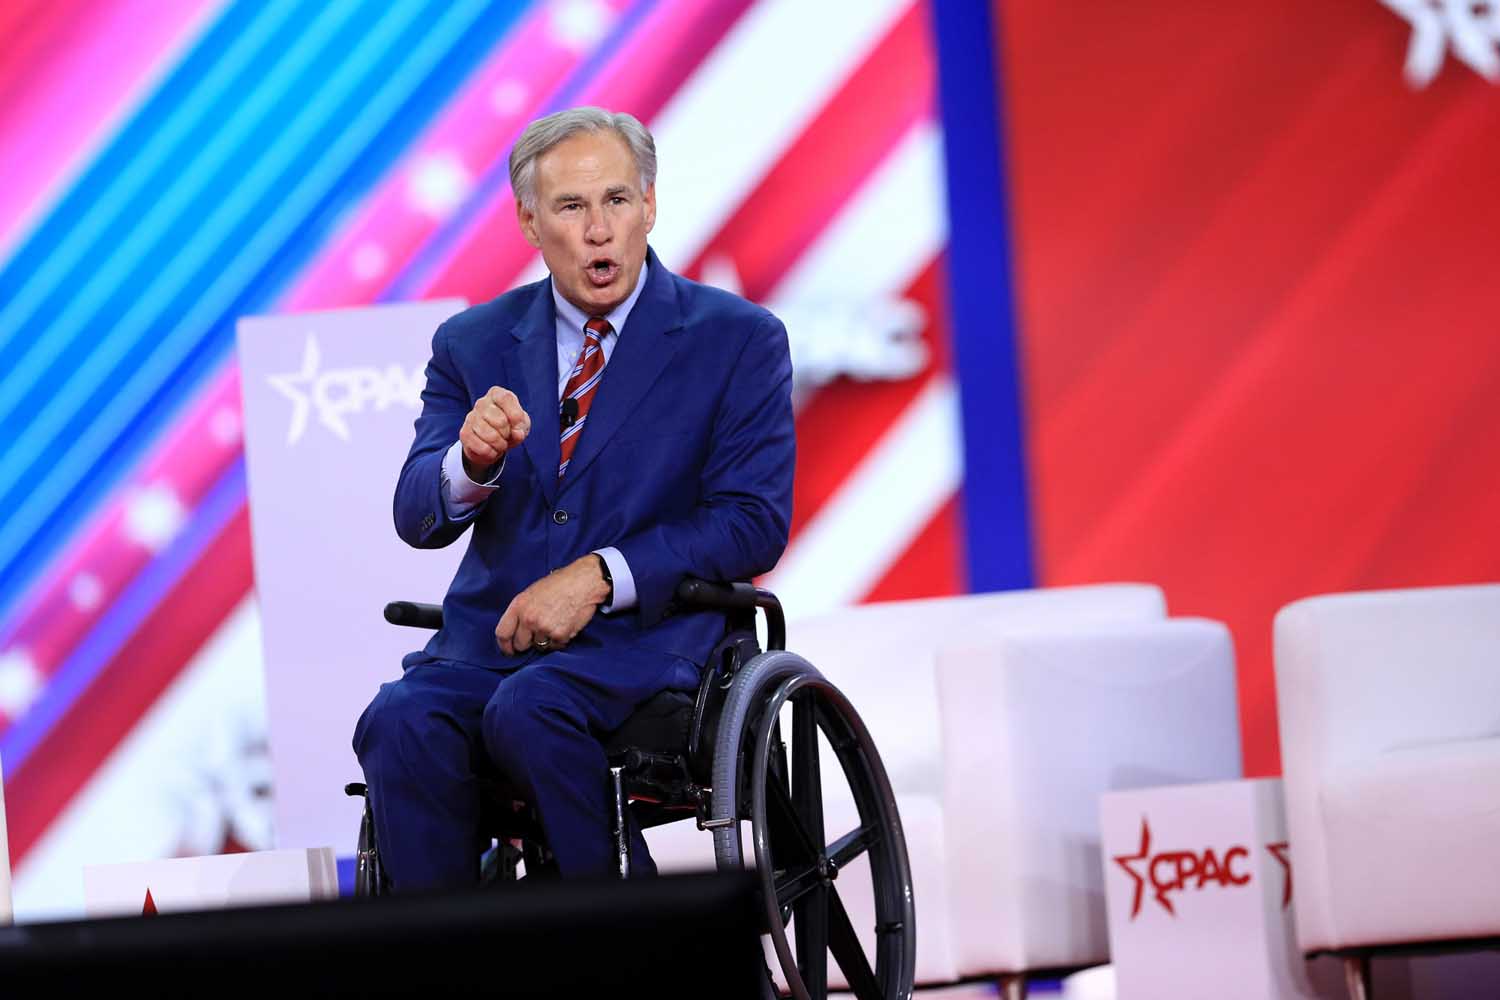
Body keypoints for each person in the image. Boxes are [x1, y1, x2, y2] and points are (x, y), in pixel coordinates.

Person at [353, 107, 795, 887]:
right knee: (399, 719)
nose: (599, 231)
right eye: (570, 206)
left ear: (649, 205)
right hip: (490, 647)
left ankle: (627, 935)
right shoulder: (472, 343)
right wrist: (470, 461)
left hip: (647, 645)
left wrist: (599, 575)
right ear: (529, 221)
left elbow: (752, 522)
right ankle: (438, 947)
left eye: (617, 200)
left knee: (531, 711)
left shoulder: (736, 338)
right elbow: (415, 516)